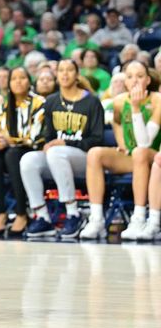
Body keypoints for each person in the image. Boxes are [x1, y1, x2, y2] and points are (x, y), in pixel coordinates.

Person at [22, 59, 103, 239]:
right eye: (61, 71)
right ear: (57, 76)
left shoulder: (92, 102)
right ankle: (42, 217)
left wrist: (65, 144)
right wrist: (48, 144)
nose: (65, 74)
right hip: (56, 157)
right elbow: (49, 135)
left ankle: (73, 213)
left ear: (77, 75)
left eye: (69, 70)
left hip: (85, 159)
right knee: (28, 160)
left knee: (56, 152)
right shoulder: (51, 101)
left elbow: (97, 140)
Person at [81, 60, 161, 240]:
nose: (135, 81)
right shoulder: (117, 102)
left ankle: (139, 218)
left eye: (140, 77)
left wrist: (135, 108)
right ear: (125, 81)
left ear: (148, 80)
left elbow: (144, 142)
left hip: (153, 155)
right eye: (130, 77)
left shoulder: (158, 101)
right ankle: (97, 220)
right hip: (132, 157)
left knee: (140, 152)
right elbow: (117, 122)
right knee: (95, 154)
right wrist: (122, 143)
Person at [0, 66, 45, 237]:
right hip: (10, 150)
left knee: (12, 155)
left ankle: (21, 213)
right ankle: (0, 212)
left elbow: (34, 137)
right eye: (14, 79)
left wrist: (9, 141)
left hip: (32, 150)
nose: (18, 82)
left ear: (29, 81)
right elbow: (0, 130)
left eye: (22, 78)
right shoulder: (5, 105)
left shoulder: (39, 102)